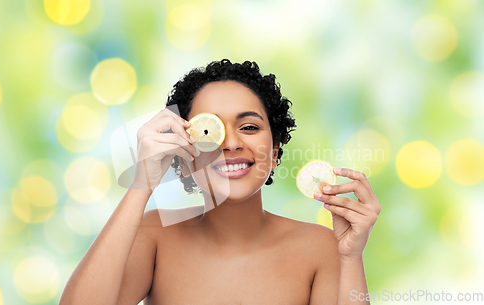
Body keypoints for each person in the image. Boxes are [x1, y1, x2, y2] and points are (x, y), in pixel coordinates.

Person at [59, 59, 381, 305]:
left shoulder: (320, 247)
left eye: (250, 128)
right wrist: (142, 183)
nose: (230, 144)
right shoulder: (154, 235)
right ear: (184, 155)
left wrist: (351, 257)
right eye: (208, 132)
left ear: (275, 151)